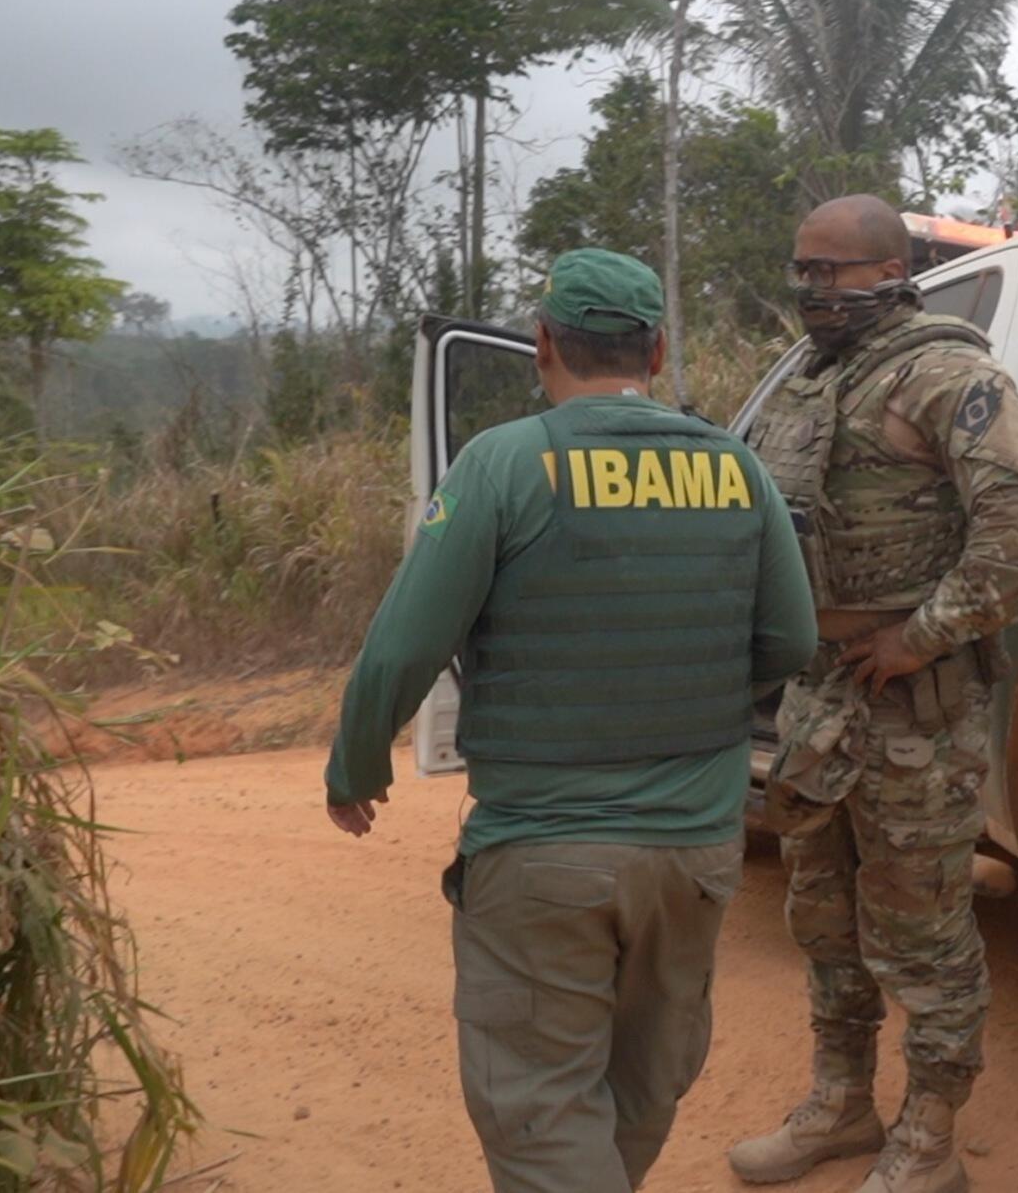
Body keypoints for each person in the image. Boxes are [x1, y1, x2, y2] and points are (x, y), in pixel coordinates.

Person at [324, 247, 819, 1193]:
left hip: (542, 850)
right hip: (696, 853)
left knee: (542, 1109)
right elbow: (790, 641)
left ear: (542, 343)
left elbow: (402, 647)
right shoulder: (736, 468)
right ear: (659, 350)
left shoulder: (503, 464)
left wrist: (357, 769)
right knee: (643, 1084)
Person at [731, 196, 1018, 1193]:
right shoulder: (812, 381)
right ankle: (841, 1103)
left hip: (910, 707)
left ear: (889, 272)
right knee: (823, 917)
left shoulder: (944, 373)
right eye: (799, 270)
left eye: (827, 272)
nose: (808, 290)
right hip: (818, 695)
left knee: (921, 929)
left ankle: (928, 1136)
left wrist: (920, 636)